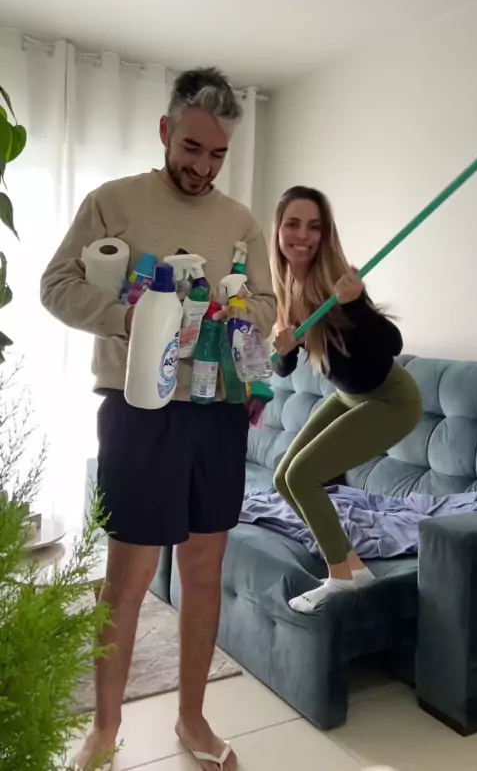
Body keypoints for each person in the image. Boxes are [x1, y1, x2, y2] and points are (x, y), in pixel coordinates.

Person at [41, 67, 276, 771]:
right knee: (129, 577)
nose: (203, 167)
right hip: (139, 409)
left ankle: (192, 718)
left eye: (218, 155)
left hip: (218, 408)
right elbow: (56, 285)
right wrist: (133, 320)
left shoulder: (240, 221)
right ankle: (105, 728)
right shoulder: (113, 202)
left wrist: (238, 313)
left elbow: (267, 305)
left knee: (203, 570)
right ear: (166, 131)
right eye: (192, 148)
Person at [271, 186, 422, 613]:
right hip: (349, 395)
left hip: (391, 399)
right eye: (293, 224)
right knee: (284, 479)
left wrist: (354, 305)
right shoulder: (285, 286)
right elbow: (283, 366)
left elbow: (392, 343)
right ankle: (354, 569)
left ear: (325, 234)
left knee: (303, 476)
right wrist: (284, 349)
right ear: (278, 230)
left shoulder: (338, 282)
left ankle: (339, 577)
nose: (303, 235)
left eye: (314, 227)